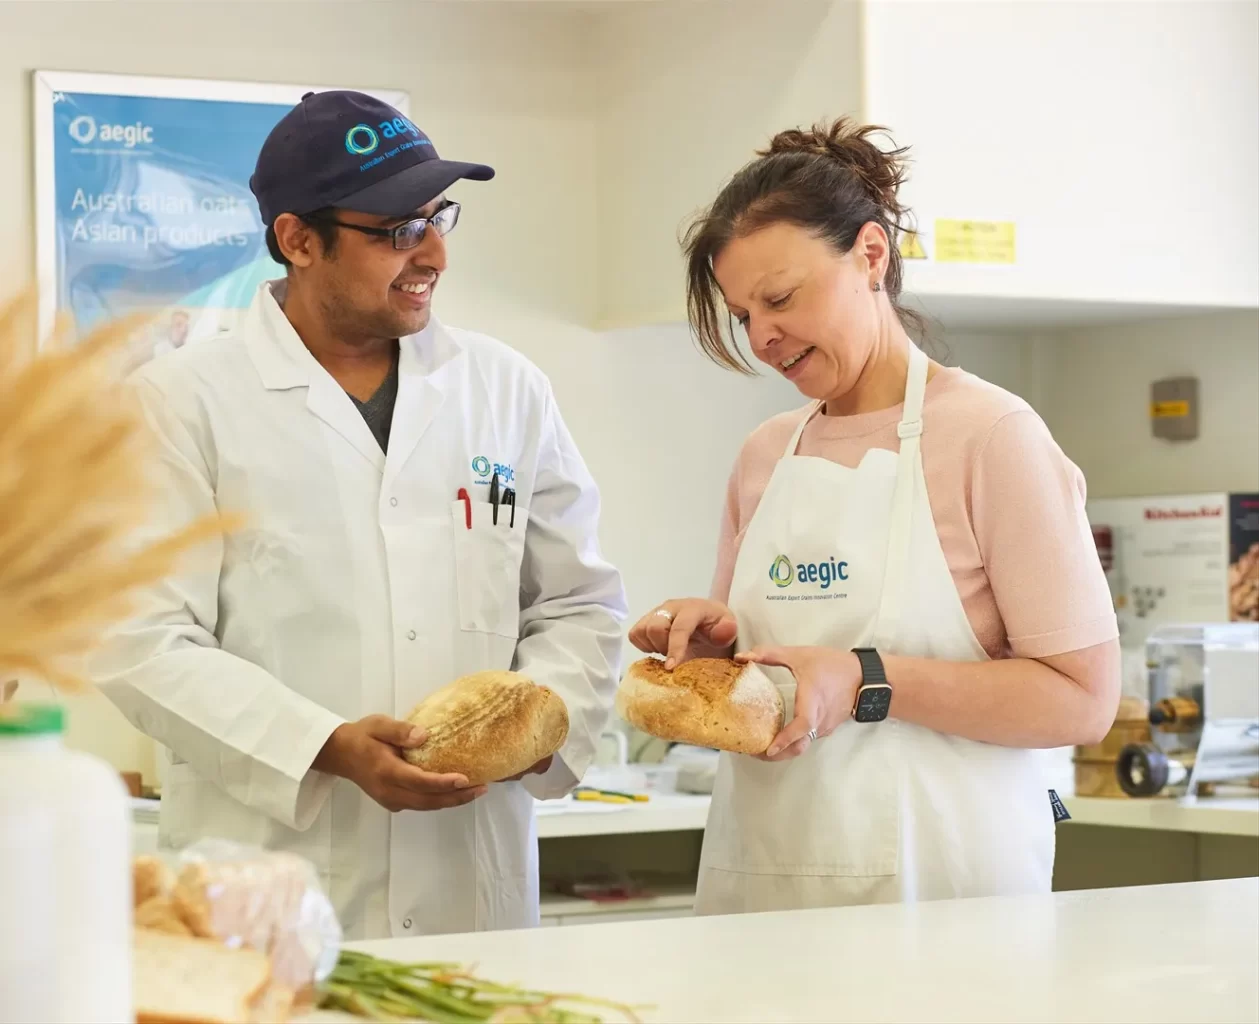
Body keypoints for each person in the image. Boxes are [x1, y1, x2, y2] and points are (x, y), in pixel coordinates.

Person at [93, 91, 627, 939]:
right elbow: (141, 640)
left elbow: (576, 604)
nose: (435, 255)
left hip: (471, 879)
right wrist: (323, 745)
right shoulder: (179, 401)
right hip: (272, 879)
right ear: (297, 240)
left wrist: (528, 731)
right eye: (396, 230)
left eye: (438, 217)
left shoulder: (504, 389)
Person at [628, 118, 1120, 916]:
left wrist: (864, 678)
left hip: (949, 900)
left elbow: (1081, 701)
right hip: (763, 882)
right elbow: (753, 685)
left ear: (869, 254)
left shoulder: (992, 436)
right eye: (742, 313)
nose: (762, 336)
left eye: (780, 299)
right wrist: (712, 647)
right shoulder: (765, 455)